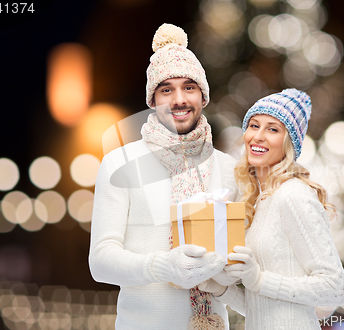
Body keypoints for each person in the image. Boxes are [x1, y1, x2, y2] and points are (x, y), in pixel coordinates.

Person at [89, 23, 239, 330]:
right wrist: (162, 267)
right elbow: (101, 262)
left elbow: (241, 266)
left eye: (189, 87)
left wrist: (230, 274)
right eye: (166, 89)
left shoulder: (228, 169)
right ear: (152, 100)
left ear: (203, 96)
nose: (179, 99)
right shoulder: (120, 162)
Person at [199, 89, 344, 329]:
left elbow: (335, 289)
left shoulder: (294, 194)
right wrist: (221, 290)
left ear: (289, 143)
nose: (258, 136)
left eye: (273, 129)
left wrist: (259, 278)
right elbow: (263, 306)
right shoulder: (257, 202)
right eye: (254, 125)